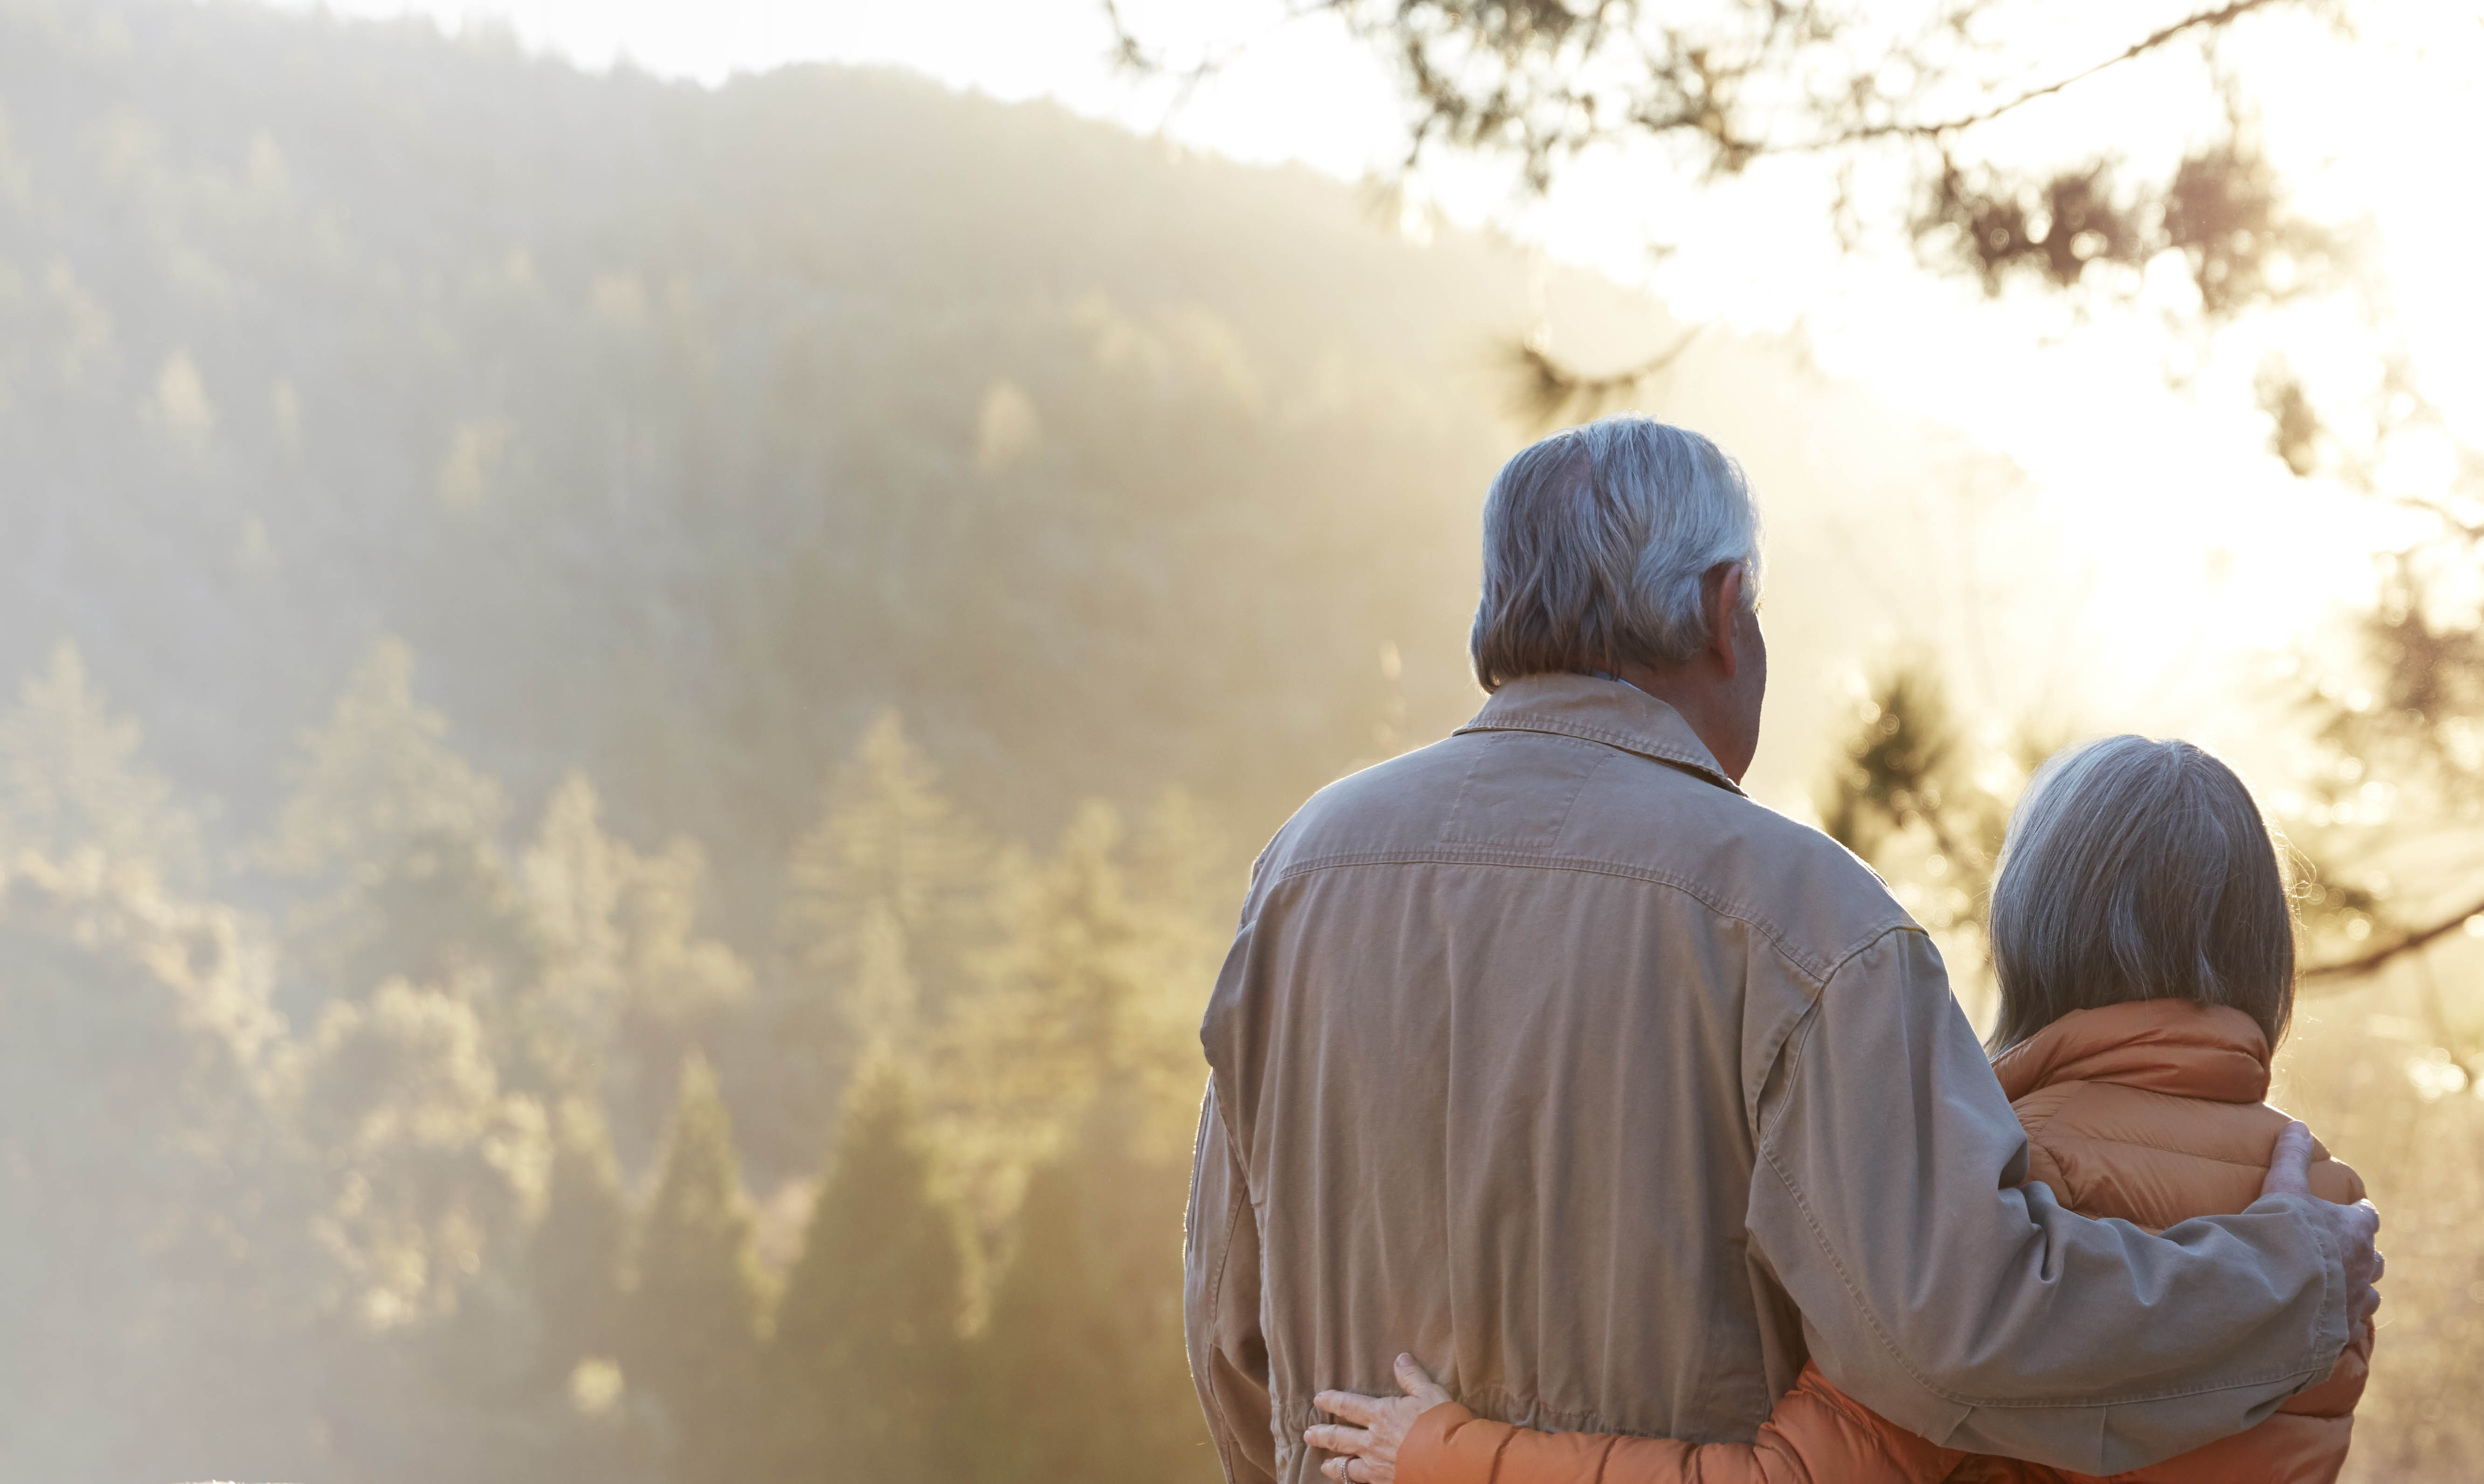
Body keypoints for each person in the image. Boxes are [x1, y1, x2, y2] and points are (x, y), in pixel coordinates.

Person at [1182, 415, 2383, 1484]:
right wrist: (2291, 1283)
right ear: (1722, 613)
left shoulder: (1303, 873)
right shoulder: (1805, 916)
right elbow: (1955, 1336)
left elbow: (1231, 1327)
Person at [1307, 735, 2372, 1484]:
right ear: (2261, 947)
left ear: (2030, 933)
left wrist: (1445, 1452)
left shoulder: (2007, 1190)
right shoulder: (2322, 1206)